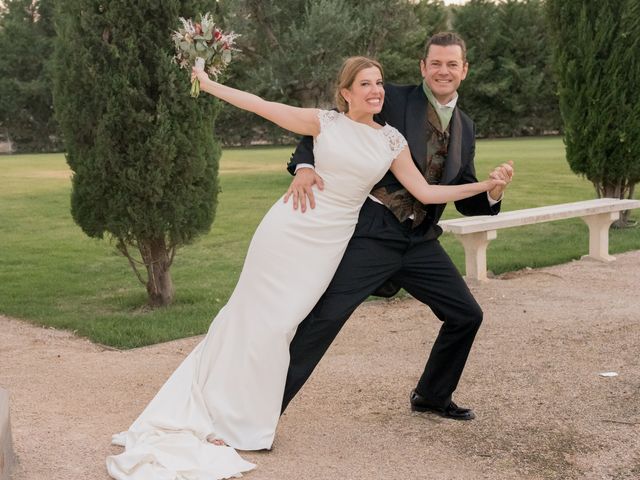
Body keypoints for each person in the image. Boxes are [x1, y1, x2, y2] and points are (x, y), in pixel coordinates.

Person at [106, 56, 504, 480]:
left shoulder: (392, 141)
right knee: (254, 316)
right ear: (346, 92)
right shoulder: (323, 123)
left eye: (380, 83)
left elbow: (425, 189)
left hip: (331, 241)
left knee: (284, 324)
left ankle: (240, 412)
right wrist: (207, 85)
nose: (376, 91)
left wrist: (487, 186)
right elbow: (259, 104)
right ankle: (226, 417)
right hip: (292, 227)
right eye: (365, 84)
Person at [282, 32, 514, 420]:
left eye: (452, 64)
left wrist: (492, 192)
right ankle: (262, 408)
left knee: (466, 315)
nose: (444, 71)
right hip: (375, 232)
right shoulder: (390, 96)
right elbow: (332, 124)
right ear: (423, 67)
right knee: (325, 317)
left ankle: (431, 396)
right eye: (436, 63)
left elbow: (460, 194)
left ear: (464, 70)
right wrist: (305, 165)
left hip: (420, 240)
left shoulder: (466, 127)